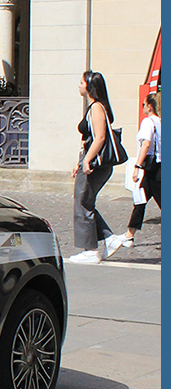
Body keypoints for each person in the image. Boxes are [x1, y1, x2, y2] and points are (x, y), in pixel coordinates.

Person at [69, 70, 123, 263]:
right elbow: (89, 139)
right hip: (91, 160)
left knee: (82, 202)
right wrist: (80, 161)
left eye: (82, 82)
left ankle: (91, 250)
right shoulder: (95, 107)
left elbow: (99, 137)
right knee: (85, 202)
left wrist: (86, 161)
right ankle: (110, 238)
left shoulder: (97, 108)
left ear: (90, 86)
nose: (79, 85)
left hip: (95, 164)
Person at [119, 92, 161, 247]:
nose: (143, 107)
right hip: (156, 168)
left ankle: (129, 235)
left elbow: (146, 144)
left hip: (152, 170)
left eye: (144, 104)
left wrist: (137, 166)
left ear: (149, 106)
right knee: (140, 200)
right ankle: (129, 235)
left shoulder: (148, 122)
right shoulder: (161, 122)